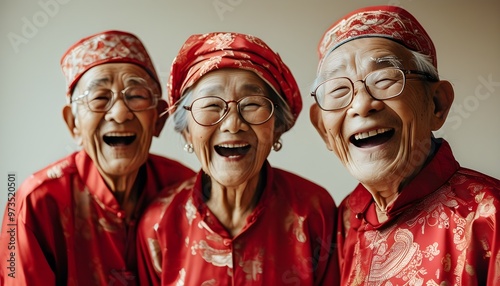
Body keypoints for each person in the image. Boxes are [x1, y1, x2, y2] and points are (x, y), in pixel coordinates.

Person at [309, 5, 500, 285]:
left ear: (437, 104)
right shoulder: (345, 220)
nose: (361, 105)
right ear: (324, 131)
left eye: (384, 79)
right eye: (338, 90)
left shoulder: (491, 216)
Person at [136, 32, 339, 285]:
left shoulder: (314, 212)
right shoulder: (159, 224)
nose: (233, 124)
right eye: (211, 105)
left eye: (252, 104)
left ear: (277, 126)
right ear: (187, 132)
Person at [0, 30, 195, 285]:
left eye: (136, 96)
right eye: (100, 98)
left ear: (159, 119)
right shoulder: (34, 204)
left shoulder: (186, 190)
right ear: (73, 124)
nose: (120, 113)